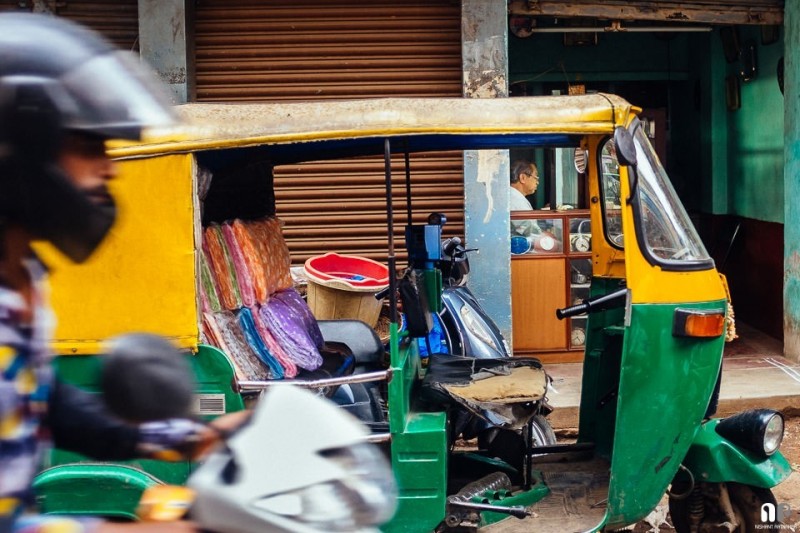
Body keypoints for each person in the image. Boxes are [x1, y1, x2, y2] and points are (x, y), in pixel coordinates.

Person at [0, 13, 217, 532]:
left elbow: (42, 397)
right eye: (88, 146)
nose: (111, 166)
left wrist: (171, 437)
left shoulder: (24, 276)